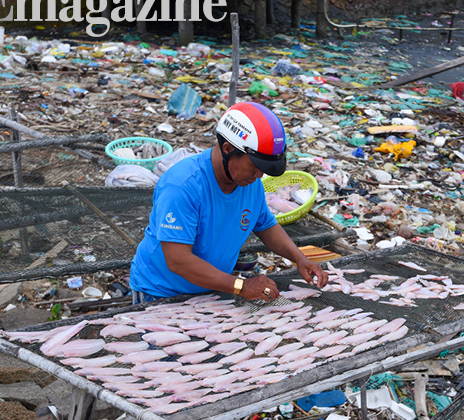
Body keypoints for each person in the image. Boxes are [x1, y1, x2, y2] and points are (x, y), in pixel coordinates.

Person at [129, 101, 328, 305]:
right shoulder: (182, 187)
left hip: (214, 287)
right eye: (254, 166)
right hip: (162, 292)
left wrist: (299, 258)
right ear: (227, 149)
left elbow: (266, 226)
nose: (259, 175)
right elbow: (178, 261)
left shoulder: (250, 183)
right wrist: (241, 286)